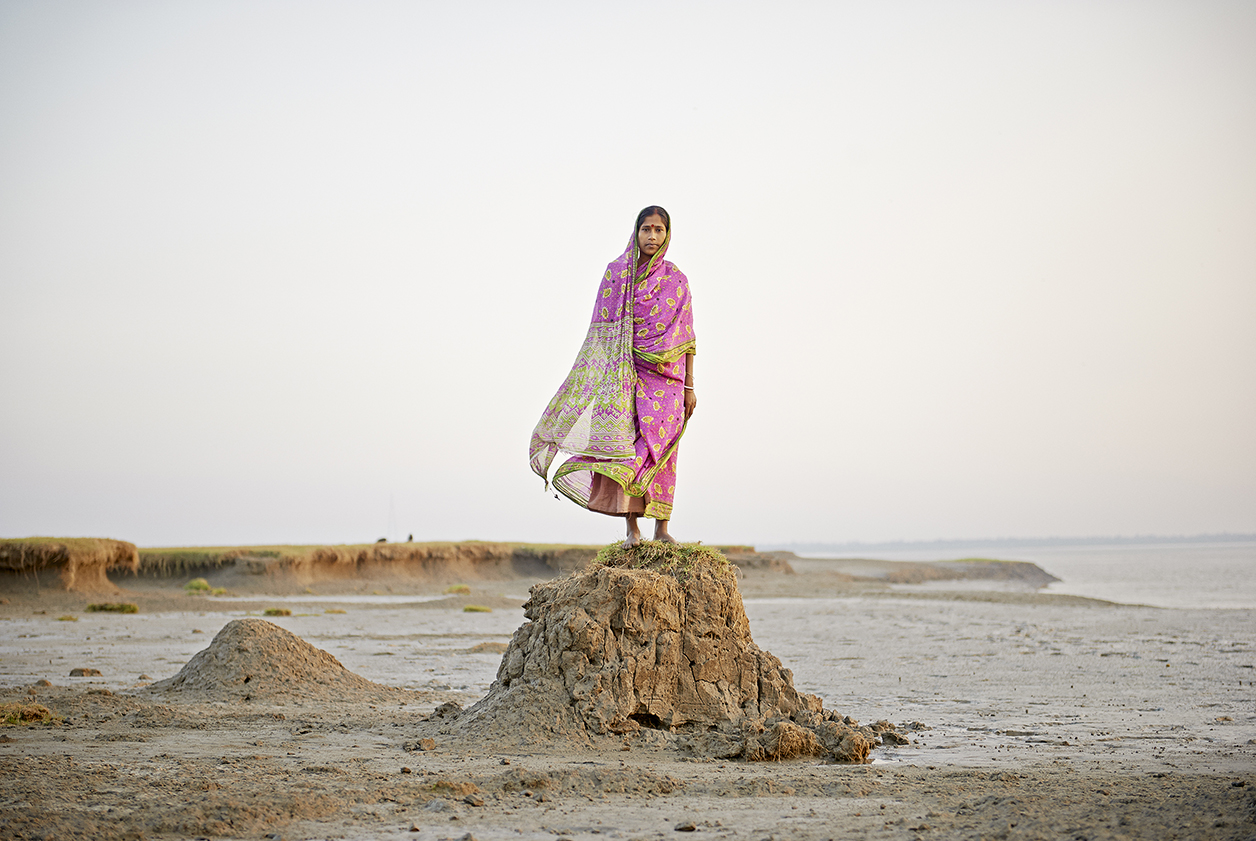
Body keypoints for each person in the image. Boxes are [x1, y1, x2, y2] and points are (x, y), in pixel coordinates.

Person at [530, 206, 697, 548]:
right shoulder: (617, 275)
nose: (653, 236)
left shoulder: (677, 280)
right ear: (636, 233)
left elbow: (688, 336)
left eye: (660, 230)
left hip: (668, 380)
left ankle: (662, 528)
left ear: (668, 234)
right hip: (626, 374)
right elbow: (601, 331)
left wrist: (690, 386)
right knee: (625, 449)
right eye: (647, 229)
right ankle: (632, 530)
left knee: (663, 448)